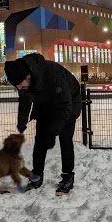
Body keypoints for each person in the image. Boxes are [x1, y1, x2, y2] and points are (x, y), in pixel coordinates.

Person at [5, 53, 81, 195]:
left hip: (69, 103)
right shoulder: (24, 82)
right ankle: (37, 175)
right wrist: (22, 122)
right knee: (40, 139)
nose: (19, 89)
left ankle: (68, 176)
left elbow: (64, 106)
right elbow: (25, 101)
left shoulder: (52, 74)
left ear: (28, 76)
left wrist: (52, 133)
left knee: (65, 139)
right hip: (46, 104)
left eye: (20, 85)